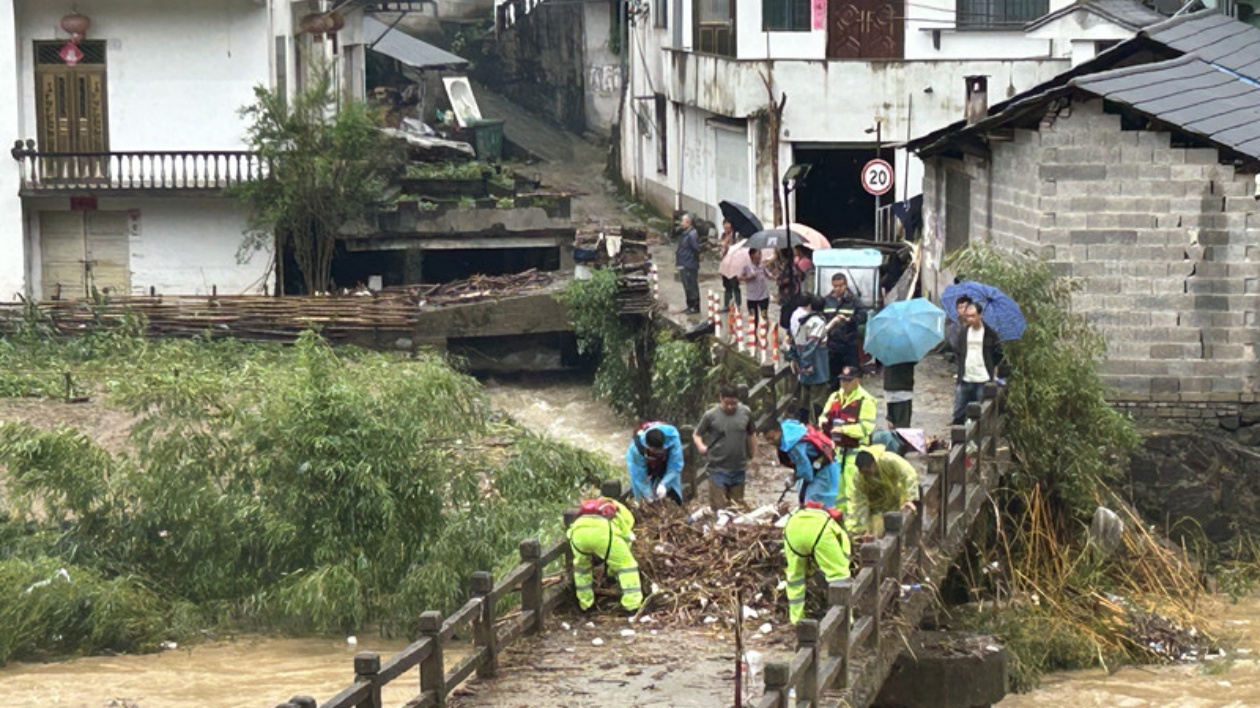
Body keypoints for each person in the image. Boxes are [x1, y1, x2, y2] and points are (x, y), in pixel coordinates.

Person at [567, 496, 642, 613]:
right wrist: (612, 572)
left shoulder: (586, 512)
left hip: (577, 534)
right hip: (603, 534)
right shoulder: (622, 511)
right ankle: (632, 605)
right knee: (627, 566)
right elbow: (626, 536)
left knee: (582, 569)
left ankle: (586, 604)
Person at [782, 501, 851, 624]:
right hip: (821, 531)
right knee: (839, 575)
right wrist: (843, 564)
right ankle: (846, 619)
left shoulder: (794, 515)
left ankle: (796, 619)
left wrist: (810, 568)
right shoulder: (835, 525)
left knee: (795, 577)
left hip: (792, 530)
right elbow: (845, 555)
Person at [693, 384, 757, 509]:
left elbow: (751, 434)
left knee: (737, 507)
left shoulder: (745, 412)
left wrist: (754, 456)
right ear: (720, 399)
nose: (730, 407)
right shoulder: (710, 415)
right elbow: (697, 434)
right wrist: (701, 446)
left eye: (734, 403)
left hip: (738, 467)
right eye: (727, 403)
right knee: (719, 508)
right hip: (717, 467)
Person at [761, 418, 839, 507]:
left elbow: (807, 473)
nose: (771, 442)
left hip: (823, 469)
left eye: (772, 438)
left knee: (812, 501)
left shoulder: (794, 445)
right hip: (821, 465)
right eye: (768, 440)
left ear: (777, 430)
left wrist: (793, 479)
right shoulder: (790, 428)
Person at [951, 301, 1004, 425]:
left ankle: (976, 441)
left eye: (972, 316)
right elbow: (958, 351)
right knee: (958, 411)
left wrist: (990, 365)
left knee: (981, 413)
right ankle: (956, 441)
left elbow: (998, 353)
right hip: (966, 377)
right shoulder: (963, 332)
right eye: (967, 316)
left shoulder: (990, 334)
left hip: (983, 378)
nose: (970, 318)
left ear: (980, 315)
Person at [847, 447, 919, 537]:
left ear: (873, 464)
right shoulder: (859, 478)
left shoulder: (889, 460)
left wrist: (910, 499)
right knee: (877, 536)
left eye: (867, 471)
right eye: (863, 472)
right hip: (876, 507)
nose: (866, 475)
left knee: (899, 529)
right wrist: (860, 526)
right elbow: (859, 501)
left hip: (896, 499)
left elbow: (909, 474)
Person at [789, 296, 831, 423]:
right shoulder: (818, 322)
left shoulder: (802, 321)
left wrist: (794, 357)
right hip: (817, 365)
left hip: (803, 367)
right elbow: (812, 344)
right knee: (818, 399)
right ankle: (816, 427)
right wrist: (806, 361)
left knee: (805, 399)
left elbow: (794, 341)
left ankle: (804, 425)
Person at [823, 274, 865, 389]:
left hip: (849, 345)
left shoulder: (853, 300)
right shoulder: (827, 300)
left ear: (845, 285)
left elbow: (862, 316)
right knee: (833, 381)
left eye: (840, 286)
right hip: (833, 346)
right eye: (835, 286)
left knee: (851, 378)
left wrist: (850, 320)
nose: (838, 289)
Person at [626, 422, 685, 503]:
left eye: (660, 449)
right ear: (647, 446)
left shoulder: (672, 437)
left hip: (665, 460)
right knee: (643, 496)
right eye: (655, 450)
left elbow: (675, 465)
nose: (658, 452)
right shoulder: (636, 450)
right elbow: (640, 477)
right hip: (643, 464)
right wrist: (649, 496)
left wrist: (663, 484)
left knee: (672, 491)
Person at [675, 213, 702, 314]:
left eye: (683, 221)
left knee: (691, 285)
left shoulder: (692, 234)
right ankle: (689, 305)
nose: (681, 223)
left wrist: (693, 260)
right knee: (686, 285)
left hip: (689, 264)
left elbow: (696, 249)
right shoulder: (685, 233)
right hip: (684, 263)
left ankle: (694, 306)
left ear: (688, 222)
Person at [740, 248, 772, 332]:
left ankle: (764, 336)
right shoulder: (746, 267)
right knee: (753, 319)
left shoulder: (762, 266)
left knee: (764, 317)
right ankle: (754, 337)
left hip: (764, 296)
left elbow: (769, 275)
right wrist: (748, 278)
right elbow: (739, 278)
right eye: (758, 254)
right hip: (751, 297)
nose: (760, 256)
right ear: (752, 255)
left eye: (760, 254)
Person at [883, 361, 916, 429]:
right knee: (902, 426)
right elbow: (913, 361)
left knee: (892, 423)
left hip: (889, 386)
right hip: (903, 388)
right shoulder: (907, 353)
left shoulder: (887, 352)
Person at [719, 219, 741, 310]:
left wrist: (727, 246)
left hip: (734, 264)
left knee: (735, 284)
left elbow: (738, 248)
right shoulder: (723, 235)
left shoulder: (735, 235)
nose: (726, 226)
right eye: (725, 224)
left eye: (728, 224)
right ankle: (726, 304)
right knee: (726, 285)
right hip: (725, 263)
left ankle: (737, 304)